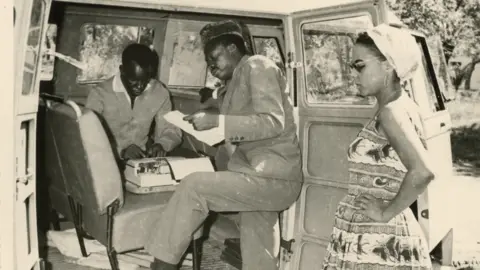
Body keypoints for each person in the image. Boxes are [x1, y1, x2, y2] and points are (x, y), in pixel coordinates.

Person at [145, 20, 303, 270]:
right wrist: (209, 108)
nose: (211, 68)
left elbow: (272, 121)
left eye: (213, 59)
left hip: (272, 177)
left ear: (232, 48)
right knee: (258, 249)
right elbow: (225, 102)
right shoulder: (235, 81)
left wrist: (218, 122)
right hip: (259, 176)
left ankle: (161, 267)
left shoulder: (258, 65)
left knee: (194, 187)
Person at [322, 24, 435, 269]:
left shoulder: (392, 113)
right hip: (376, 234)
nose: (353, 75)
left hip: (378, 239)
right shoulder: (404, 106)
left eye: (360, 66)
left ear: (388, 65)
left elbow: (423, 171)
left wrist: (385, 212)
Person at [85, 43, 182, 160]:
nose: (140, 87)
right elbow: (88, 137)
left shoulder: (160, 92)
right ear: (122, 70)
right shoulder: (100, 93)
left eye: (145, 80)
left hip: (141, 158)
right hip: (105, 159)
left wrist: (162, 144)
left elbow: (170, 129)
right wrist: (121, 151)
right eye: (133, 81)